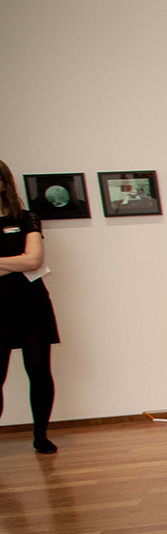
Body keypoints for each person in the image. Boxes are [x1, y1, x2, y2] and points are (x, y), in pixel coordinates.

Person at [0, 159, 58, 454]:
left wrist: (12, 264)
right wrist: (17, 262)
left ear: (4, 183)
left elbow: (34, 260)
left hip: (31, 304)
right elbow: (25, 260)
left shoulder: (26, 218)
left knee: (39, 371)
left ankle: (40, 435)